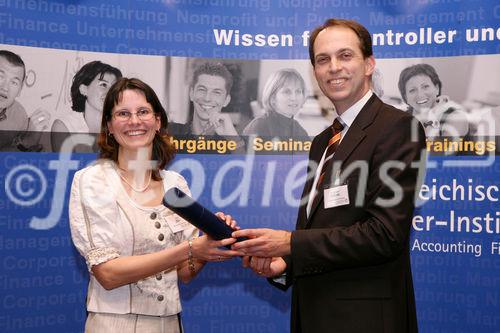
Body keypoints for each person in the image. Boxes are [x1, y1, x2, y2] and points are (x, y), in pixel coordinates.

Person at [232, 19, 425, 333]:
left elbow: (384, 234)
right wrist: (284, 265)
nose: (334, 67)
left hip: (367, 322)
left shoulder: (398, 127)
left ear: (369, 64)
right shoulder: (323, 141)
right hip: (312, 316)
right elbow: (323, 229)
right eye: (323, 60)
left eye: (345, 56)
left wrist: (290, 243)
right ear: (315, 72)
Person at [69, 77, 242, 332]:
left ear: (158, 121)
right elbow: (107, 273)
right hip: (115, 325)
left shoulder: (175, 184)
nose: (135, 121)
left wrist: (208, 244)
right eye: (123, 114)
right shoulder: (93, 180)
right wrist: (190, 248)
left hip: (170, 323)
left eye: (143, 112)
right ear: (109, 125)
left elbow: (185, 273)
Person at [51, 61, 122, 151]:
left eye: (113, 87)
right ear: (84, 89)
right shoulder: (63, 126)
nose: (110, 92)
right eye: (103, 85)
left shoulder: (121, 126)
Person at [168, 62, 240, 137]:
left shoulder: (234, 141)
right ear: (191, 94)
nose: (207, 98)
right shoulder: (170, 132)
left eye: (216, 92)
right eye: (202, 89)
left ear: (226, 100)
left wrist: (232, 138)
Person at [398, 63, 469, 138]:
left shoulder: (456, 117)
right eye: (412, 90)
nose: (420, 95)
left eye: (425, 86)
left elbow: (435, 149)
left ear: (437, 88)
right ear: (406, 98)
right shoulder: (403, 120)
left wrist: (432, 118)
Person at [0, 50, 50, 151]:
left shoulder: (19, 114)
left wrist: (34, 146)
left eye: (14, 82)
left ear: (20, 90)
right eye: (0, 77)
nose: (5, 87)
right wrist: (30, 140)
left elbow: (17, 156)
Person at [243, 68, 309, 139]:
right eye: (287, 92)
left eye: (298, 91)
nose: (294, 98)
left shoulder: (300, 131)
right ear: (273, 98)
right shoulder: (259, 126)